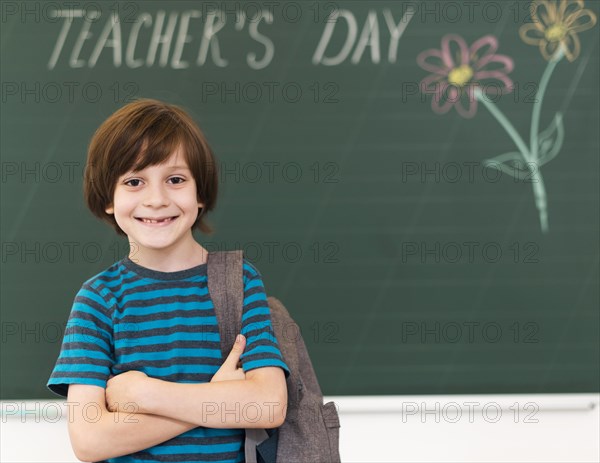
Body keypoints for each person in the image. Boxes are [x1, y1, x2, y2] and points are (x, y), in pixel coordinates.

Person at [47, 98, 289, 463]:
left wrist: (147, 394)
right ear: (108, 199)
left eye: (175, 180)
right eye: (133, 181)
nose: (156, 199)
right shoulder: (99, 299)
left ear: (200, 192)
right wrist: (216, 395)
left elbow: (268, 405)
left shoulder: (237, 282)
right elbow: (90, 440)